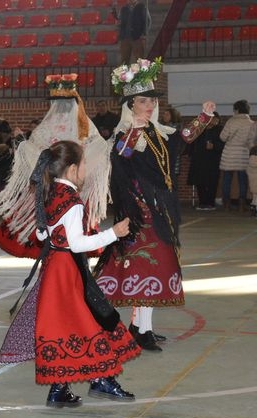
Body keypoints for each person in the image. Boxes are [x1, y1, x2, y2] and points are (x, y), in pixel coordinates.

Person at [0, 141, 140, 407]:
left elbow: (41, 234)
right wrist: (113, 234)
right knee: (87, 323)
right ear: (73, 169)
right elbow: (76, 243)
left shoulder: (51, 193)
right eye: (84, 164)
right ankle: (101, 379)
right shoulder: (72, 201)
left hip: (56, 269)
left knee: (66, 326)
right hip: (67, 269)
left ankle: (62, 387)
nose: (86, 169)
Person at [94, 58, 216, 352]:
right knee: (147, 265)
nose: (149, 105)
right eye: (143, 100)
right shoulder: (127, 134)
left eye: (151, 100)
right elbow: (120, 155)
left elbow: (184, 138)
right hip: (141, 211)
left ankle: (142, 327)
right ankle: (141, 329)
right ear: (131, 105)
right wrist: (134, 131)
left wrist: (203, 117)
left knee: (153, 267)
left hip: (159, 209)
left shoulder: (159, 132)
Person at [0, 74, 112, 261]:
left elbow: (34, 155)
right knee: (71, 241)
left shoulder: (58, 126)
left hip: (56, 193)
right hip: (70, 192)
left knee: (58, 239)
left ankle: (62, 272)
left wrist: (21, 143)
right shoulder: (83, 125)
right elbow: (98, 149)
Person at [219, 100, 255, 213]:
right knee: (243, 180)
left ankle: (226, 205)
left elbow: (223, 137)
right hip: (243, 154)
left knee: (227, 179)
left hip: (229, 154)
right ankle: (241, 205)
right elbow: (252, 141)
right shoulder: (251, 123)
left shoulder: (231, 122)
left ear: (237, 110)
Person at [187, 112, 224, 211]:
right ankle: (202, 202)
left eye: (213, 118)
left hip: (213, 160)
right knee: (200, 181)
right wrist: (191, 153)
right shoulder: (199, 129)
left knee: (212, 181)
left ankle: (210, 203)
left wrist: (214, 146)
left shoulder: (219, 130)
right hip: (199, 158)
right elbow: (191, 141)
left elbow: (223, 144)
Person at [112, 0, 150, 64]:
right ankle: (124, 74)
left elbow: (147, 21)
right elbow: (120, 22)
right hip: (125, 37)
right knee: (124, 60)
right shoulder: (123, 9)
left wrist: (144, 34)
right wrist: (118, 23)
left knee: (140, 59)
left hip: (137, 37)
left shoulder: (142, 7)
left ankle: (140, 73)